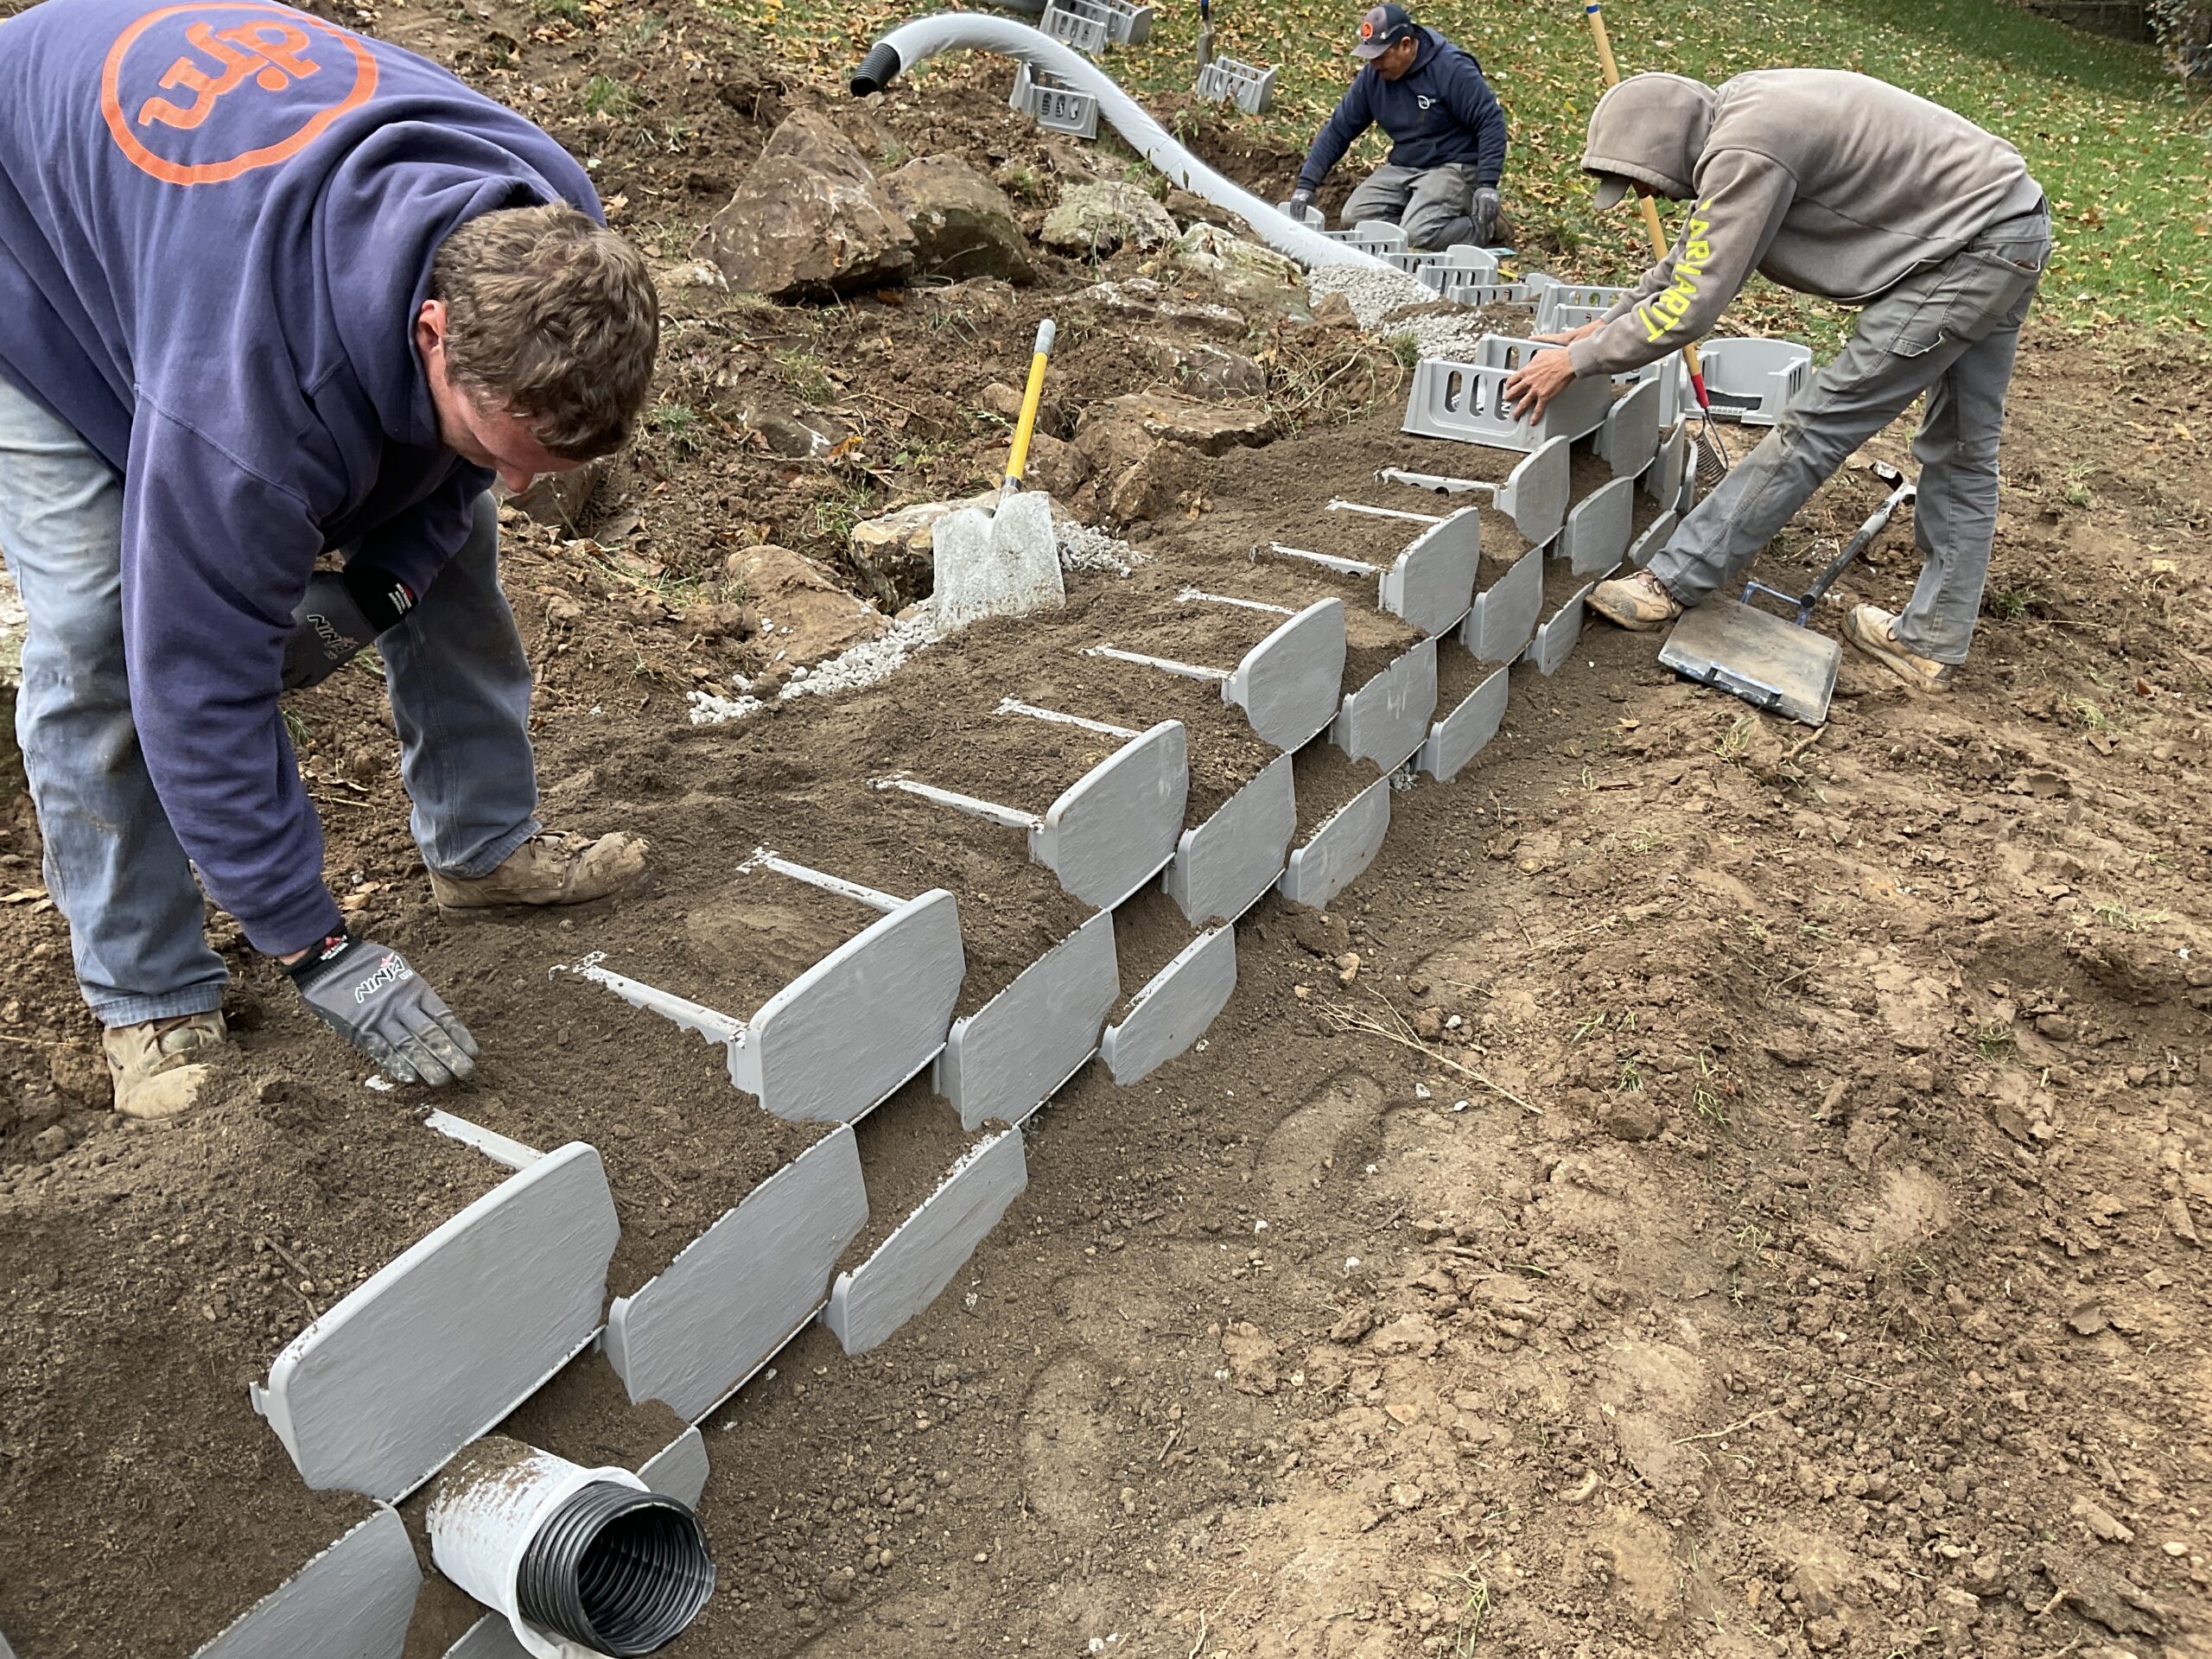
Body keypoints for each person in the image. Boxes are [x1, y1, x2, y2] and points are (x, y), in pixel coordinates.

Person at [0, 0, 663, 1117]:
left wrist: (378, 582)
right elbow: (197, 688)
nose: (519, 483)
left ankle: (481, 845)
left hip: (205, 211)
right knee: (101, 633)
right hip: (34, 238)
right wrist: (317, 947)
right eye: (508, 451)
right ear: (434, 335)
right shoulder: (249, 416)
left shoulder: (554, 221)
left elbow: (464, 475)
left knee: (463, 529)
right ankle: (149, 992)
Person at [1503, 70, 2050, 693]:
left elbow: (1692, 305)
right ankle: (1931, 641)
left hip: (1966, 254)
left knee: (1815, 426)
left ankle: (1671, 582)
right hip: (2010, 223)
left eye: (1641, 183)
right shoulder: (1742, 116)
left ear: (1662, 151)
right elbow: (1687, 263)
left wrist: (1577, 363)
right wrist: (1602, 327)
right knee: (1963, 449)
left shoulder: (1747, 150)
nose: (1646, 196)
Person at [1288, 3, 1509, 251]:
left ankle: (1484, 226)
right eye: (1370, 58)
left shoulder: (1452, 69)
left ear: (1405, 45)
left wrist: (1487, 185)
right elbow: (1339, 129)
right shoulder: (1374, 78)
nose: (1374, 65)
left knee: (1417, 236)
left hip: (1453, 166)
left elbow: (1491, 122)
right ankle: (1420, 216)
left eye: (1380, 56)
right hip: (1407, 164)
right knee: (1355, 218)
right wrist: (1306, 185)